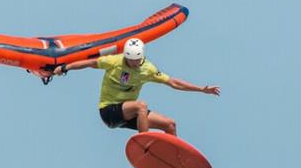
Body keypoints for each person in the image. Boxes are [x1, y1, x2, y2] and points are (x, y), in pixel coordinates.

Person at [53, 38, 219, 135]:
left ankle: (174, 161)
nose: (133, 63)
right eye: (130, 60)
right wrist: (65, 67)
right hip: (109, 111)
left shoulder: (147, 69)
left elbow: (173, 82)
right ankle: (145, 147)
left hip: (130, 114)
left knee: (170, 124)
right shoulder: (114, 61)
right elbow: (89, 63)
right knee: (141, 106)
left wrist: (201, 89)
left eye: (137, 60)